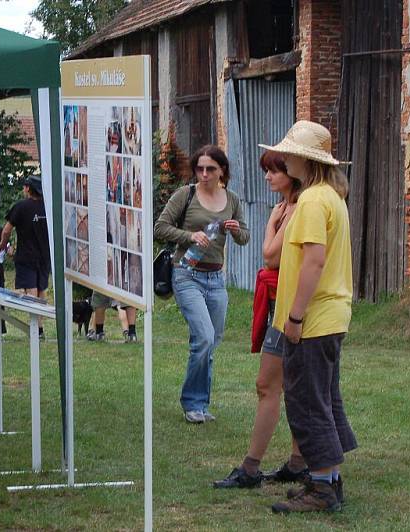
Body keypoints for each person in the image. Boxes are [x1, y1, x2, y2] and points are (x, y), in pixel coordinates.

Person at [259, 120, 357, 514]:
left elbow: (313, 262)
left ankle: (322, 489)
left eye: (288, 152)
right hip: (329, 316)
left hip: (314, 319)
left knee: (307, 400)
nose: (282, 157)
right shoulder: (329, 195)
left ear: (305, 159)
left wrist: (295, 317)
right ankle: (328, 479)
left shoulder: (315, 200)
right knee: (323, 398)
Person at [214, 150, 307, 488]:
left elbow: (269, 256)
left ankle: (253, 468)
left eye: (273, 170)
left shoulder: (295, 209)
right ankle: (296, 462)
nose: (267, 177)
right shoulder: (287, 208)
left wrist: (271, 224)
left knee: (272, 385)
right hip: (281, 304)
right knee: (283, 385)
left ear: (291, 173)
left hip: (291, 307)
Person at [154, 145, 250, 424]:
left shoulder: (231, 199)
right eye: (200, 168)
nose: (204, 174)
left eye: (211, 169)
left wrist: (235, 230)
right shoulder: (186, 194)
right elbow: (160, 227)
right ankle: (192, 403)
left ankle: (201, 405)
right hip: (187, 275)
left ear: (222, 171)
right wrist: (189, 236)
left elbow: (244, 237)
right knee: (205, 338)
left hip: (216, 279)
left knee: (211, 342)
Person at [0, 175, 50, 338]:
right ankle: (40, 328)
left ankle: (35, 328)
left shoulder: (21, 207)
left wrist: (2, 245)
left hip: (26, 255)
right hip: (45, 255)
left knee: (31, 290)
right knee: (42, 288)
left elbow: (6, 230)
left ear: (28, 188)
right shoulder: (48, 207)